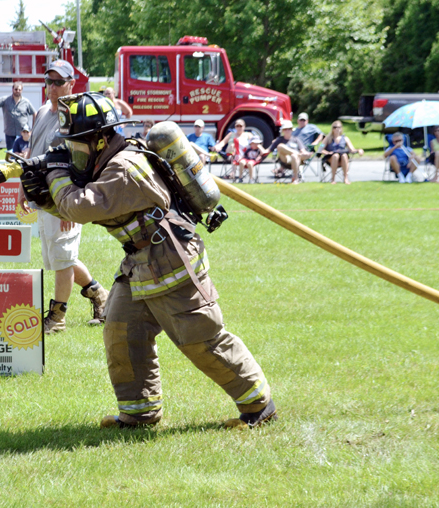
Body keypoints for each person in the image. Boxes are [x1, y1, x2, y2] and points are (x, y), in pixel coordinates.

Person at [29, 91, 276, 429]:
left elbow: (81, 207)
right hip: (141, 263)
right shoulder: (108, 164)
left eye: (76, 145)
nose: (72, 153)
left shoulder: (123, 169)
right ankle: (139, 413)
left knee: (202, 339)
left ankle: (259, 407)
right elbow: (91, 207)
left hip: (171, 262)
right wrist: (41, 194)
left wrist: (55, 175)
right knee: (121, 330)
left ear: (100, 140)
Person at [20, 59, 109, 334]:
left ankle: (57, 317)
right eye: (50, 81)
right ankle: (99, 294)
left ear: (72, 84)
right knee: (59, 258)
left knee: (61, 257)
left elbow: (83, 164)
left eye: (59, 82)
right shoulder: (43, 112)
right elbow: (32, 154)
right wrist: (23, 189)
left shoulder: (77, 115)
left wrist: (72, 205)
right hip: (44, 196)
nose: (53, 87)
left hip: (65, 199)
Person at [269, 119, 311, 184]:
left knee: (294, 155)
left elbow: (303, 150)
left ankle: (295, 179)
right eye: (285, 129)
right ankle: (296, 154)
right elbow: (268, 150)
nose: (287, 131)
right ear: (282, 130)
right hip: (285, 160)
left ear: (292, 130)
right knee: (280, 146)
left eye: (289, 129)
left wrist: (307, 154)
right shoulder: (279, 139)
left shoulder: (296, 139)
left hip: (296, 159)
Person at [320, 120, 363, 184]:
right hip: (331, 158)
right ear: (332, 129)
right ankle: (333, 179)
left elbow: (352, 149)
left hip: (342, 158)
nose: (337, 129)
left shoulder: (345, 138)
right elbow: (320, 148)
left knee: (344, 155)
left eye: (339, 127)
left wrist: (359, 150)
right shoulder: (327, 138)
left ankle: (346, 178)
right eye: (335, 127)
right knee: (336, 156)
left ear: (341, 128)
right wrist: (327, 153)